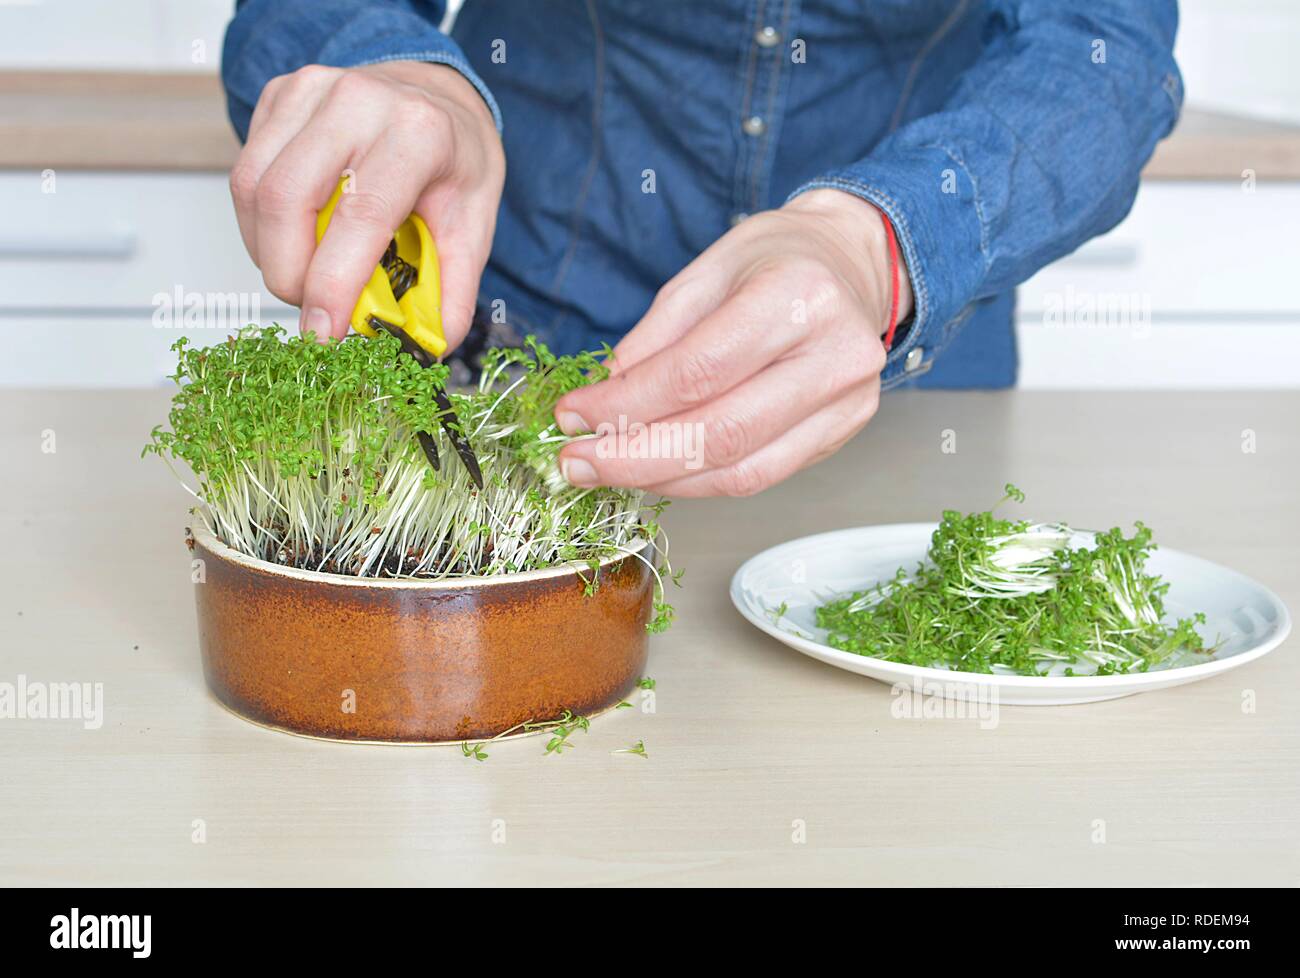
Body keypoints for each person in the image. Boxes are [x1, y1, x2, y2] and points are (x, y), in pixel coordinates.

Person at [222, 0, 1182, 496]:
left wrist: (874, 246)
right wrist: (401, 71)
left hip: (900, 394)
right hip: (511, 375)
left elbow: (1103, 50)